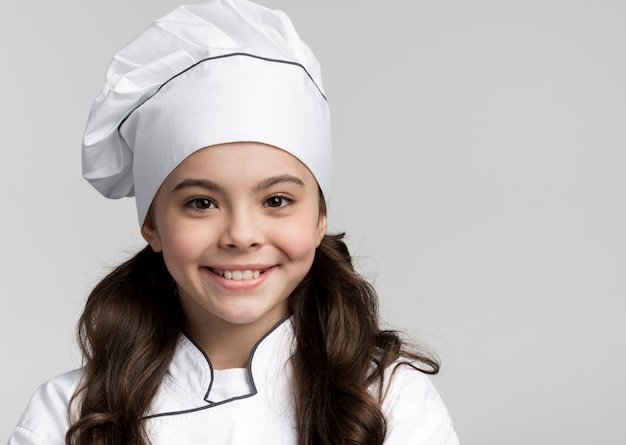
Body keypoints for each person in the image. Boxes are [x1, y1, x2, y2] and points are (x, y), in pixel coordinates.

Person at [8, 1, 459, 444]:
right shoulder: (68, 415)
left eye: (277, 200)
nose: (241, 235)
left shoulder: (391, 399)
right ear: (151, 224)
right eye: (202, 203)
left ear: (321, 218)